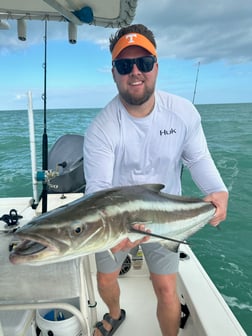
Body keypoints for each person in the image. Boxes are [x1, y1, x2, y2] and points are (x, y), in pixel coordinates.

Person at [83, 23, 229, 336]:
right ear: (113, 72)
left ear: (156, 67)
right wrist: (114, 233)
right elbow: (97, 191)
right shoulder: (101, 128)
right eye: (124, 65)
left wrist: (217, 191)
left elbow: (198, 158)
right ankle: (114, 312)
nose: (135, 71)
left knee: (165, 288)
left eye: (144, 63)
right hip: (116, 225)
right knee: (105, 279)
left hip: (166, 218)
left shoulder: (183, 113)